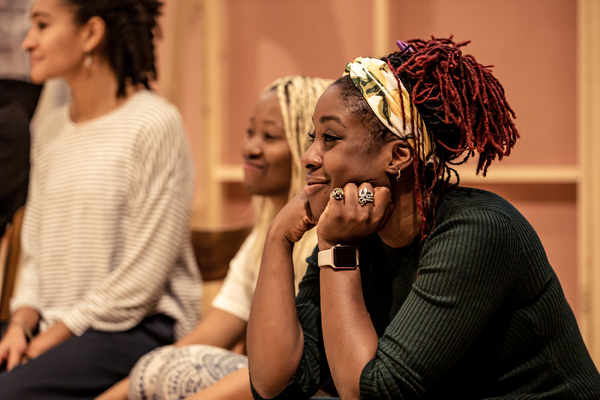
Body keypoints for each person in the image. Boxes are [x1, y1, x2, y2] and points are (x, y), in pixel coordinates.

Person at [247, 37, 600, 400]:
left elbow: (372, 393)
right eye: (313, 138)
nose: (308, 157)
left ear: (398, 155)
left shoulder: (477, 230)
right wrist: (278, 238)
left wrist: (337, 249)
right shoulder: (358, 230)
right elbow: (277, 385)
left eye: (330, 138)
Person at [0, 0, 201, 398]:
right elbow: (35, 253)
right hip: (56, 327)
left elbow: (142, 279)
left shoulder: (154, 123)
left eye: (41, 25)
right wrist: (21, 324)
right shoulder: (52, 129)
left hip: (138, 328)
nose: (27, 42)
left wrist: (52, 337)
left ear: (91, 33)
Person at [97, 76, 333, 400]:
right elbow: (210, 335)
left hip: (309, 389)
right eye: (250, 132)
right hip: (267, 382)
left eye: (270, 136)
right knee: (156, 366)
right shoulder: (262, 238)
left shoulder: (331, 236)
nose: (250, 148)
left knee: (162, 374)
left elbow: (290, 373)